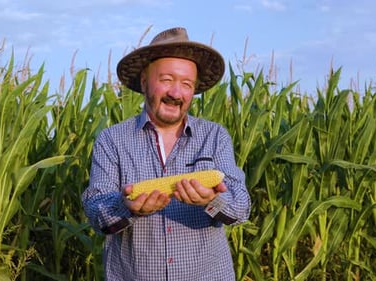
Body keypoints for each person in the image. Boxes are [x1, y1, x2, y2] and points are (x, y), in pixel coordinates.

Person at [82, 27, 251, 281]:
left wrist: (212, 200)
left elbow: (241, 207)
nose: (176, 93)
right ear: (143, 81)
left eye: (186, 84)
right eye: (167, 80)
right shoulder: (112, 140)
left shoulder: (214, 137)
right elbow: (96, 211)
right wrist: (125, 207)